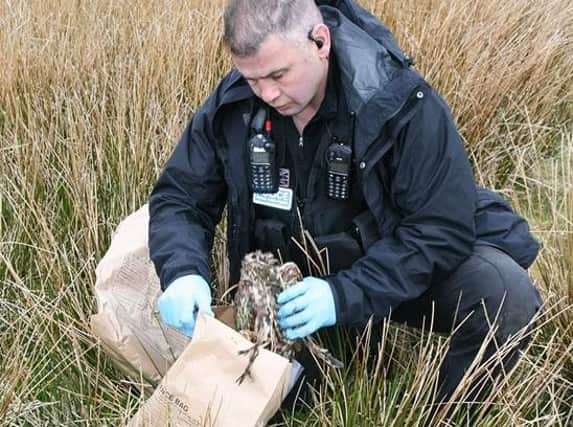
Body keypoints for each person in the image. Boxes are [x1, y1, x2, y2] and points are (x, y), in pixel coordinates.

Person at [148, 0, 542, 415]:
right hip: (286, 291)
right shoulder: (234, 105)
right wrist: (182, 272)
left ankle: (442, 416)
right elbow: (180, 196)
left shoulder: (400, 102)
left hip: (386, 269)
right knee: (281, 409)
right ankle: (321, 361)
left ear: (321, 42)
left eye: (278, 75)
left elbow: (440, 228)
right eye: (252, 79)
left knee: (506, 296)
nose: (267, 93)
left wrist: (343, 295)